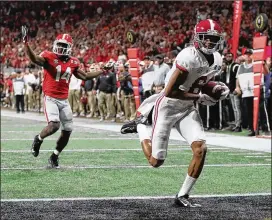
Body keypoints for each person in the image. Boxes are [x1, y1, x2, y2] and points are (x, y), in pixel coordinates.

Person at [121, 19, 229, 207]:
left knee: (200, 149)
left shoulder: (217, 59)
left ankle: (182, 195)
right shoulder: (188, 56)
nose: (210, 43)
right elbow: (171, 91)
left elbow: (201, 83)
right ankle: (140, 126)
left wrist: (216, 88)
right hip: (168, 106)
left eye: (213, 39)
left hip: (187, 108)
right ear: (197, 37)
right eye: (206, 38)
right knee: (156, 161)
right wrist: (198, 97)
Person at [21, 26, 103, 168]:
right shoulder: (48, 56)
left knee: (67, 131)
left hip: (64, 99)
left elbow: (85, 76)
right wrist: (26, 44)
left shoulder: (73, 62)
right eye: (58, 44)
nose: (59, 47)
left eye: (63, 45)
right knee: (54, 125)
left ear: (69, 47)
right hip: (50, 97)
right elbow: (34, 58)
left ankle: (54, 156)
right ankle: (38, 139)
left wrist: (101, 71)